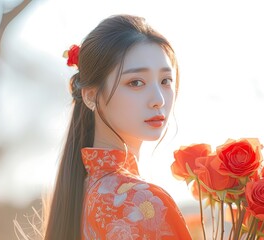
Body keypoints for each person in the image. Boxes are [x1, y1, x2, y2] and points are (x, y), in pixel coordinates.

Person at [43, 14, 192, 240]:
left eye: (165, 81)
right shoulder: (143, 203)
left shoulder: (81, 193)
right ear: (91, 96)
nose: (158, 99)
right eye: (136, 82)